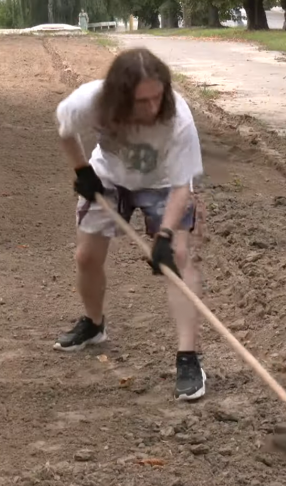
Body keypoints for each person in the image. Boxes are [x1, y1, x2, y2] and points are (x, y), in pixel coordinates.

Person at [52, 47, 207, 401]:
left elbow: (183, 185)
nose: (153, 108)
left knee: (179, 260)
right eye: (142, 101)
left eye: (158, 97)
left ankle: (188, 357)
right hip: (109, 176)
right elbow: (64, 128)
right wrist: (81, 170)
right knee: (86, 258)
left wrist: (166, 235)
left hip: (164, 183)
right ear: (120, 98)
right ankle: (93, 325)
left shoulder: (178, 119)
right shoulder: (89, 102)